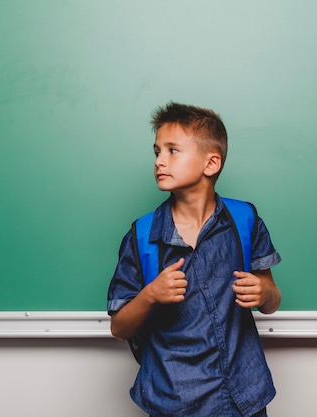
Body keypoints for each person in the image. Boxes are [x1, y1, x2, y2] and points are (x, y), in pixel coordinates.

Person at [107, 102, 282, 417]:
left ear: (211, 163)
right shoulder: (142, 234)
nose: (160, 160)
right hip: (175, 401)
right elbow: (119, 327)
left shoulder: (245, 219)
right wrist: (150, 296)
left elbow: (270, 300)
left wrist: (264, 292)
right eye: (157, 151)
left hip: (245, 397)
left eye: (173, 151)